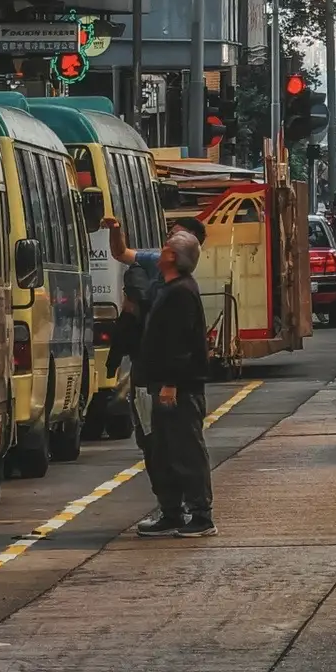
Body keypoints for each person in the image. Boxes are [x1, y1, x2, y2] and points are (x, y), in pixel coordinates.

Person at [133, 230, 215, 539]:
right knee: (162, 450)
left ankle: (200, 514)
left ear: (172, 258)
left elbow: (180, 344)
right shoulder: (169, 288)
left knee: (185, 450)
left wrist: (171, 383)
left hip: (178, 388)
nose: (160, 250)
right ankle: (171, 512)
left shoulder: (181, 292)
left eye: (165, 248)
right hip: (159, 384)